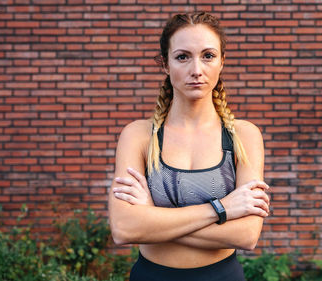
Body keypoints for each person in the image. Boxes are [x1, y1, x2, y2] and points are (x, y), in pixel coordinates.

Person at [107, 12, 270, 281]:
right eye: (183, 57)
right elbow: (124, 229)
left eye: (208, 56)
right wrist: (222, 209)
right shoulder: (138, 136)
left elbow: (246, 235)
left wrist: (152, 219)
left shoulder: (243, 135)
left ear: (222, 62)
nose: (197, 70)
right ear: (165, 64)